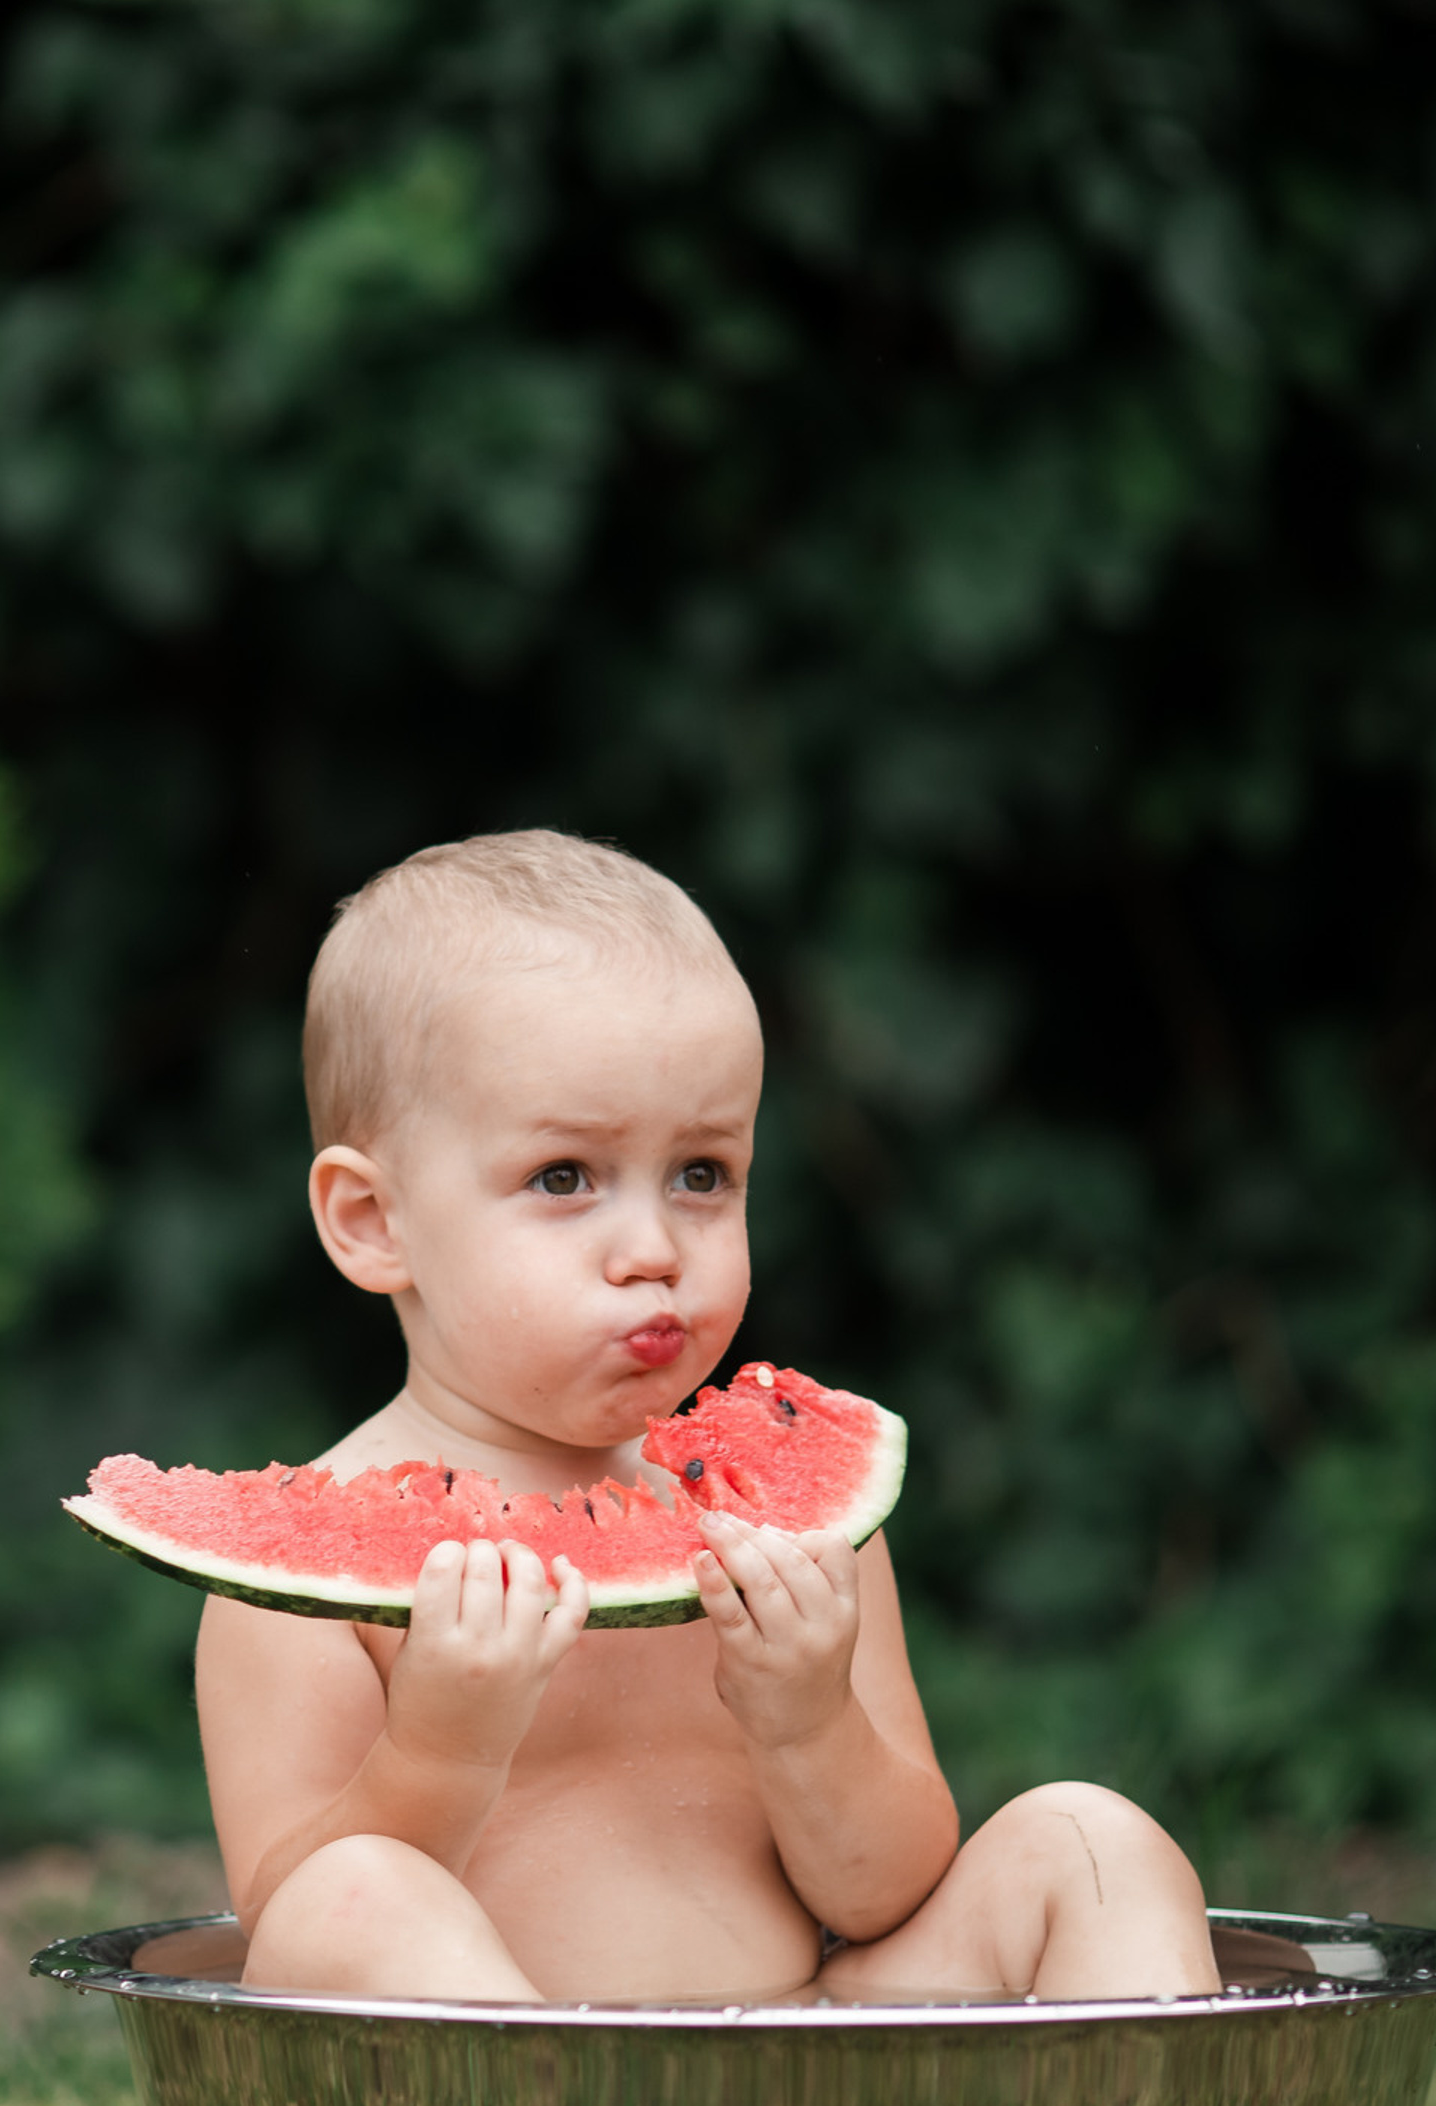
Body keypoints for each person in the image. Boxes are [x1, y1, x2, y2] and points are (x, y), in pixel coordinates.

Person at [200, 832, 1220, 2006]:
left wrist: (808, 1718)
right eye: (564, 1177)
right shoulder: (289, 1590)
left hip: (804, 2072)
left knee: (1089, 1840)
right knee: (352, 1896)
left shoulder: (783, 1524)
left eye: (701, 1173)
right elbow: (291, 1937)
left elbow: (880, 1897)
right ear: (373, 1221)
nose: (652, 1251)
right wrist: (442, 1744)